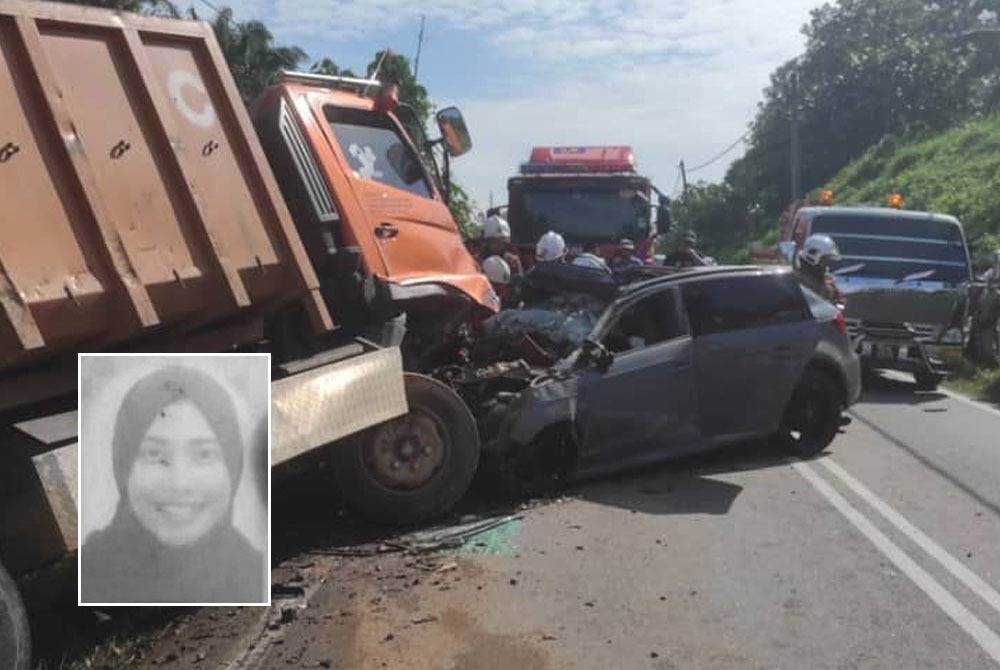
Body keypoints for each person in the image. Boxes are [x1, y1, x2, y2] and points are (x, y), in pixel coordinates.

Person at [81, 366, 265, 604]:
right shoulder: (94, 572)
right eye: (154, 454)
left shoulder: (251, 571)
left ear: (233, 465)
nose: (180, 484)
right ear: (122, 464)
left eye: (204, 455)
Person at [795, 234, 844, 303]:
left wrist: (839, 299)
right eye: (825, 260)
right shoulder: (797, 278)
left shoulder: (825, 277)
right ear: (813, 255)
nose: (827, 264)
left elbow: (839, 300)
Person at [478, 214, 523, 279]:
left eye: (502, 240)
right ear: (487, 241)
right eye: (495, 240)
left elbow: (519, 284)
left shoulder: (512, 261)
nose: (499, 244)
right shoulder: (478, 261)